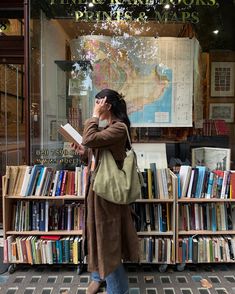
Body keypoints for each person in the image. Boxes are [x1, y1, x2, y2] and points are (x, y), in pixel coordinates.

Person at [72, 89, 139, 294]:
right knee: (96, 236)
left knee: (107, 241)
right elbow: (96, 157)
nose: (96, 105)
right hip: (96, 190)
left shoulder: (118, 128)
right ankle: (97, 276)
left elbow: (90, 139)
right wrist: (83, 154)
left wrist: (93, 115)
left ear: (107, 105)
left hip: (108, 194)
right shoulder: (106, 127)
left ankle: (118, 289)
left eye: (99, 102)